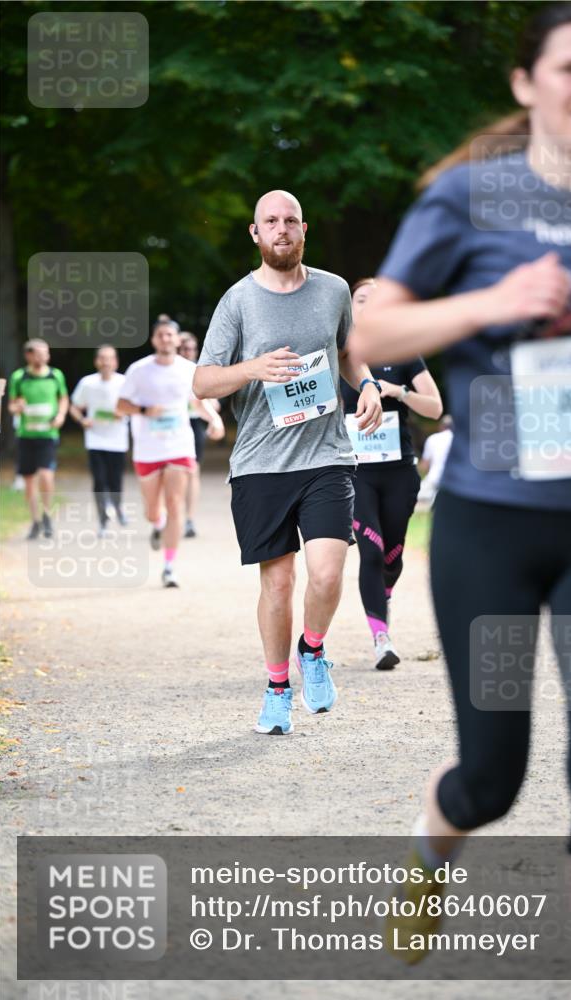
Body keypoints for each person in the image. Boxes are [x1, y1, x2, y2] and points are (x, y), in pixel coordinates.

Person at [352, 3, 571, 992]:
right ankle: (429, 851)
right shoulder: (464, 202)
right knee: (493, 777)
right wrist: (496, 303)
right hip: (490, 524)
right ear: (528, 84)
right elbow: (375, 337)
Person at [194, 189, 382, 736]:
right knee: (277, 585)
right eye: (270, 221)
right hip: (259, 463)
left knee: (327, 572)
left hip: (326, 455)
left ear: (305, 229)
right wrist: (253, 367)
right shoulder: (238, 301)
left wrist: (367, 384)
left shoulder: (334, 290)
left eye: (291, 221)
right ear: (255, 233)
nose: (281, 229)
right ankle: (277, 687)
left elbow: (347, 350)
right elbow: (203, 380)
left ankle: (313, 649)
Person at [342, 278, 442, 669]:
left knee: (392, 555)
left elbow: (434, 407)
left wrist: (397, 392)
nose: (369, 305)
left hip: (399, 471)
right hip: (355, 473)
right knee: (371, 549)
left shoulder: (404, 352)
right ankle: (380, 637)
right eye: (361, 299)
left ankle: (383, 598)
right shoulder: (339, 355)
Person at [116, 320, 224, 587]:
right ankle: (157, 522)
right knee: (153, 510)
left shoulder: (189, 369)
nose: (165, 339)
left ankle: (169, 566)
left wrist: (214, 420)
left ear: (177, 340)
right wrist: (143, 411)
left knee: (175, 503)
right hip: (147, 448)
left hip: (179, 445)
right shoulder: (139, 370)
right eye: (160, 335)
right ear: (154, 340)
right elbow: (120, 405)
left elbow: (197, 401)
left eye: (170, 335)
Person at [7, 339, 68, 539]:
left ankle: (47, 515)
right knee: (29, 481)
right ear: (29, 355)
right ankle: (35, 520)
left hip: (48, 435)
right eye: (39, 353)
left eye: (46, 353)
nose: (44, 357)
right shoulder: (19, 377)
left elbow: (63, 399)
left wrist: (60, 416)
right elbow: (11, 406)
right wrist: (18, 407)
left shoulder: (55, 375)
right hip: (26, 435)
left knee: (46, 475)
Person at [69, 344, 130, 535]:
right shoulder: (87, 383)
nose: (106, 362)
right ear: (96, 361)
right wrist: (82, 420)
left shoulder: (124, 382)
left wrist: (123, 413)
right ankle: (103, 521)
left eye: (110, 358)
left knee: (115, 482)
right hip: (95, 439)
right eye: (102, 358)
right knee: (98, 481)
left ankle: (118, 507)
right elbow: (74, 407)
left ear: (116, 362)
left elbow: (135, 406)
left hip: (117, 440)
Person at [178, 332, 223, 538]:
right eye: (184, 348)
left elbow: (214, 402)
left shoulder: (200, 370)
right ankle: (169, 517)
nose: (188, 352)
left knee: (192, 471)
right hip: (173, 424)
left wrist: (212, 414)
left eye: (191, 348)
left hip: (194, 422)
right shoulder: (169, 370)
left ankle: (189, 519)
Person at [417, 415, 454, 510]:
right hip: (453, 480)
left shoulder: (433, 438)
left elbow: (424, 466)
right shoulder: (458, 438)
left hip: (434, 479)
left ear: (441, 426)